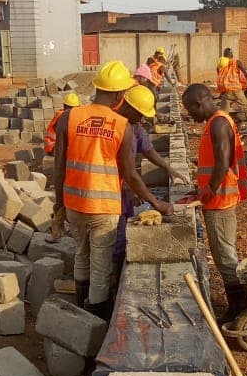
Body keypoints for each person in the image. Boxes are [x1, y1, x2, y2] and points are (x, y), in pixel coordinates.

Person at [54, 60, 174, 320]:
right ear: (120, 95)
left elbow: (59, 167)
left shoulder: (69, 117)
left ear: (97, 87)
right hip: (104, 208)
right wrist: (156, 203)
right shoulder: (121, 126)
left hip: (74, 203)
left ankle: (79, 308)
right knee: (100, 267)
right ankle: (96, 319)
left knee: (81, 256)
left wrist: (58, 205)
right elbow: (130, 175)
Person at [182, 83, 247, 319]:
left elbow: (222, 163)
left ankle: (241, 310)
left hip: (220, 200)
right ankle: (238, 307)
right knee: (223, 253)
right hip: (217, 199)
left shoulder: (219, 123)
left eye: (191, 110)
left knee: (225, 256)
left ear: (198, 103)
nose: (191, 116)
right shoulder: (217, 122)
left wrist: (208, 190)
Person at [112, 84, 186, 275]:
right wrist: (153, 201)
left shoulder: (135, 126)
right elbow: (128, 173)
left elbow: (149, 150)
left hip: (125, 186)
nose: (143, 118)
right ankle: (114, 274)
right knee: (116, 235)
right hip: (113, 187)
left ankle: (118, 267)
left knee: (124, 227)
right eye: (141, 113)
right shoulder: (115, 125)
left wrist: (167, 167)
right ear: (130, 108)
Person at [216, 51, 247, 136]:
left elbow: (220, 77)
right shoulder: (237, 62)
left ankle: (220, 131)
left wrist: (221, 91)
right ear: (232, 55)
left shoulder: (221, 64)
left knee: (223, 113)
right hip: (236, 90)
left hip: (226, 91)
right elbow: (245, 73)